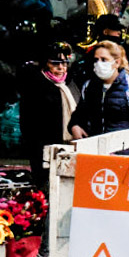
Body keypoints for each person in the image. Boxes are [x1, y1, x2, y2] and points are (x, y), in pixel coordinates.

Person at [71, 41, 129, 138]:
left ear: (117, 62)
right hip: (94, 147)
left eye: (104, 59)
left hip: (124, 148)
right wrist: (74, 126)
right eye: (96, 60)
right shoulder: (89, 86)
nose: (99, 63)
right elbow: (79, 114)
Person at [19, 45, 80, 176]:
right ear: (45, 64)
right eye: (55, 64)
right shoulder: (36, 85)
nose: (61, 68)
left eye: (64, 63)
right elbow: (28, 121)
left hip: (71, 144)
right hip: (42, 146)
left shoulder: (70, 84)